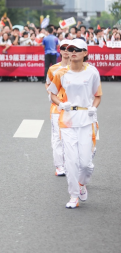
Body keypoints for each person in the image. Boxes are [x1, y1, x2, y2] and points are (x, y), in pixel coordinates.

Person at [47, 38, 101, 209]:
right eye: (70, 49)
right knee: (70, 160)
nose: (73, 51)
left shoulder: (92, 72)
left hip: (86, 120)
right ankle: (73, 195)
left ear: (85, 53)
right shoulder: (61, 73)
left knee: (85, 163)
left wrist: (93, 107)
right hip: (67, 119)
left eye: (77, 49)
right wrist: (60, 104)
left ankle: (82, 183)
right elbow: (52, 93)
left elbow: (98, 95)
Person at [45, 39, 71, 177]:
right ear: (59, 51)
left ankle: (70, 163)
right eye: (63, 48)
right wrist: (52, 96)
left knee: (71, 137)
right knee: (57, 137)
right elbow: (48, 85)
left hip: (73, 108)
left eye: (69, 48)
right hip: (57, 107)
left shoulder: (78, 68)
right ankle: (59, 166)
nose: (66, 51)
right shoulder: (53, 69)